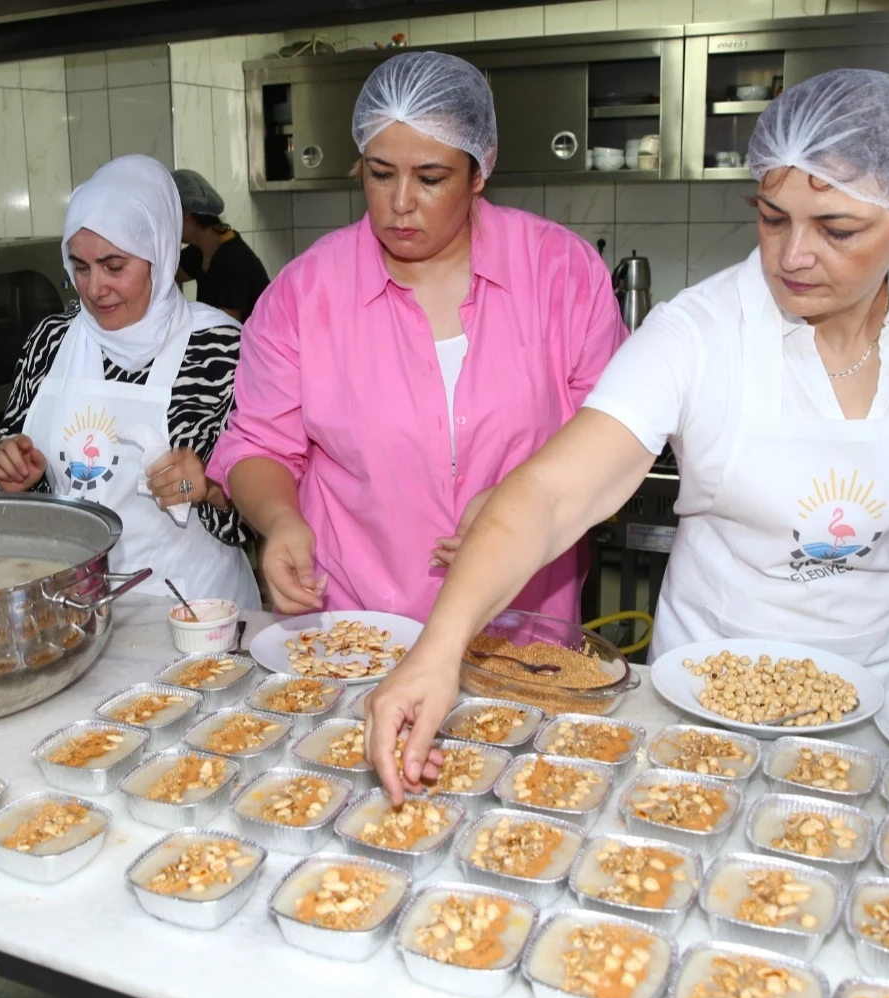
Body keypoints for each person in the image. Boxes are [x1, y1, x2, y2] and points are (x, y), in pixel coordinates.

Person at [369, 68, 889, 802]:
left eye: (836, 229)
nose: (793, 256)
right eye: (772, 218)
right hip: (714, 689)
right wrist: (438, 651)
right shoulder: (697, 330)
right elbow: (553, 493)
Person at [211, 51, 627, 623]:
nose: (400, 203)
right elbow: (259, 445)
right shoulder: (305, 293)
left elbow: (615, 435)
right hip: (360, 633)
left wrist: (521, 501)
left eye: (431, 179)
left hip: (519, 633)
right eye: (380, 174)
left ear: (480, 172)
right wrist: (280, 521)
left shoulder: (561, 273)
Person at [0, 155, 259, 607]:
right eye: (80, 266)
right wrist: (13, 478)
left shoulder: (220, 348)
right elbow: (10, 502)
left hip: (197, 612)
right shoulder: (50, 342)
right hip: (75, 609)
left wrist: (212, 488)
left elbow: (261, 515)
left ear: (160, 256)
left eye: (114, 267)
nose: (94, 289)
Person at [172, 169, 271, 323]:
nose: (170, 226)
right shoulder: (203, 250)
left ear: (186, 217)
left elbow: (228, 328)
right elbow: (165, 274)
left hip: (250, 337)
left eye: (170, 217)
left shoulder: (232, 260)